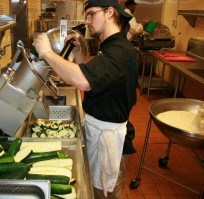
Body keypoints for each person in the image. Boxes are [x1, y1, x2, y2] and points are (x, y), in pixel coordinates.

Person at [32, 0, 138, 198]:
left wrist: (46, 53)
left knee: (104, 192)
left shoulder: (119, 51)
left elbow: (84, 81)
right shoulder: (110, 46)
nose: (87, 21)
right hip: (100, 130)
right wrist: (79, 53)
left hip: (107, 138)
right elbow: (98, 78)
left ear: (109, 12)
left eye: (91, 14)